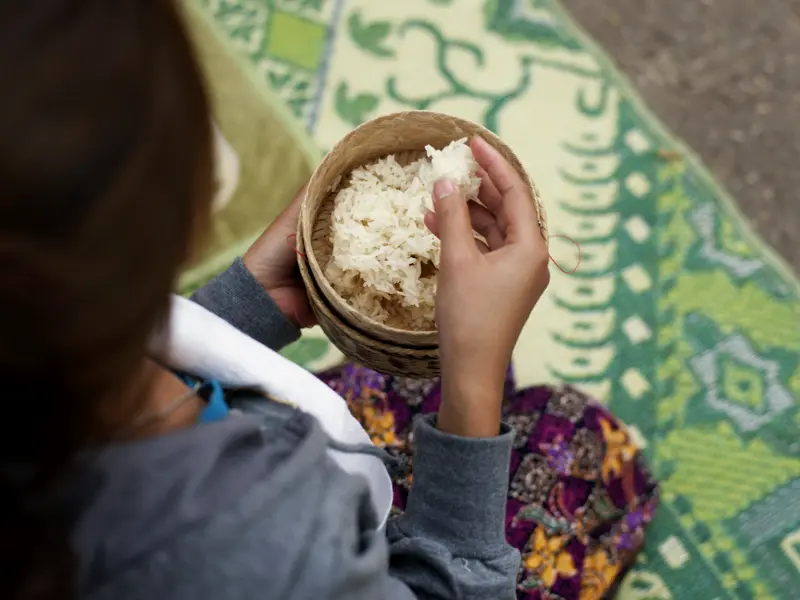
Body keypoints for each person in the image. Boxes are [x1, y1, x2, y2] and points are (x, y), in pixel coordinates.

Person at [0, 2, 657, 600]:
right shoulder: (268, 545)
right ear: (187, 213)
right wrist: (473, 395)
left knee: (414, 371)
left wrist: (249, 308)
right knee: (583, 439)